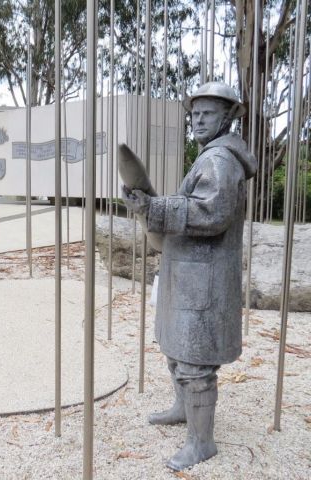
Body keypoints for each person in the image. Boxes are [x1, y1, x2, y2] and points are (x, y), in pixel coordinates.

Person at [122, 82, 257, 471]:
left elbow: (210, 214)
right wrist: (151, 206)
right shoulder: (210, 155)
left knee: (196, 361)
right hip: (190, 271)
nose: (198, 120)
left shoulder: (220, 161)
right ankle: (184, 409)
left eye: (208, 114)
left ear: (227, 118)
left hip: (205, 278)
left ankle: (202, 442)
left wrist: (156, 207)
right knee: (177, 347)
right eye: (195, 114)